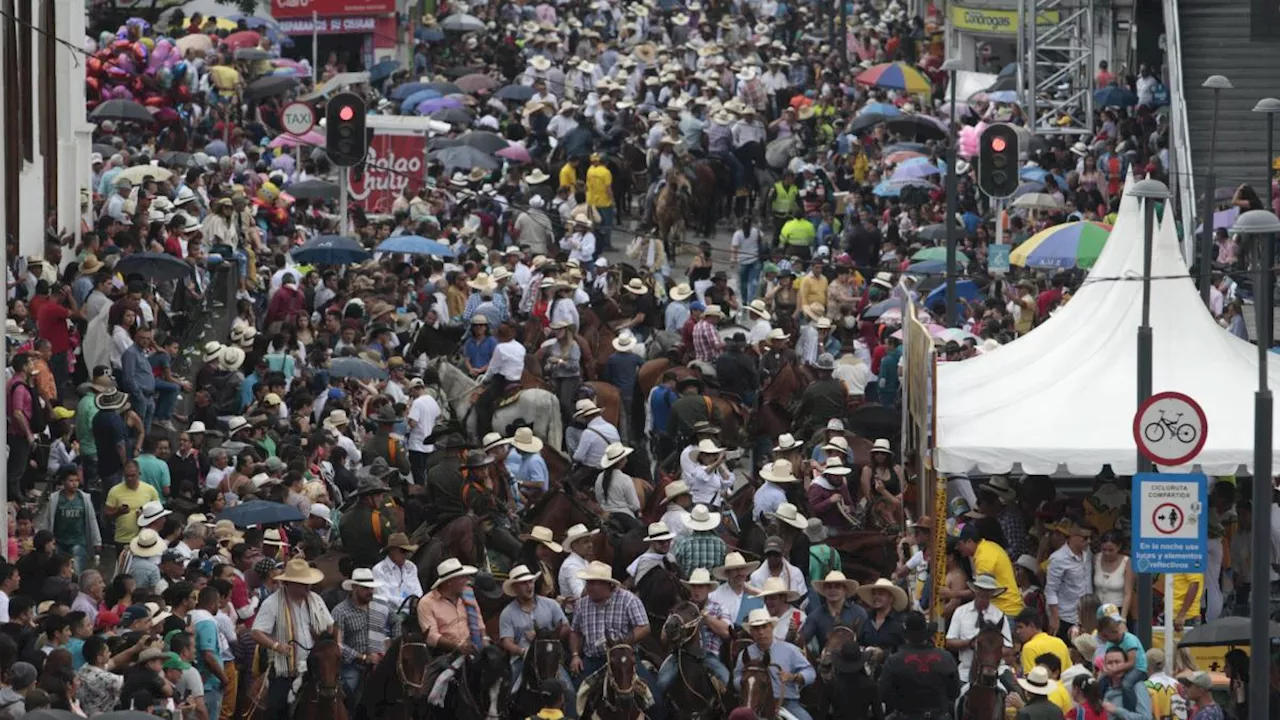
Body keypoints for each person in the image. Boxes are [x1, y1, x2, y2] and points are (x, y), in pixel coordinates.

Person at [568, 561, 659, 711]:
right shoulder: (582, 604)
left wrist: (623, 642)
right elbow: (575, 632)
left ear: (607, 585)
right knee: (574, 698)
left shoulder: (628, 599)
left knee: (654, 699)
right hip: (594, 660)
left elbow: (644, 627)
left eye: (592, 584)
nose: (588, 588)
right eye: (587, 583)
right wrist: (575, 655)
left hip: (624, 660)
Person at [250, 559, 336, 718]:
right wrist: (276, 645)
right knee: (277, 707)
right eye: (303, 584)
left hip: (315, 666)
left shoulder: (315, 599)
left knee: (344, 696)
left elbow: (331, 626)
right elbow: (256, 632)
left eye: (307, 583)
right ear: (289, 583)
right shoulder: (272, 603)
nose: (308, 587)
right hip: (286, 670)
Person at [333, 568, 401, 710]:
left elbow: (396, 621)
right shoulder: (340, 611)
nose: (370, 592)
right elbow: (338, 644)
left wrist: (394, 645)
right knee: (347, 692)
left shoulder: (381, 605)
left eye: (372, 588)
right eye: (365, 588)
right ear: (353, 588)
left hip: (381, 660)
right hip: (353, 665)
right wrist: (363, 657)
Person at [498, 565, 572, 695]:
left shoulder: (551, 604)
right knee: (509, 691)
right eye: (523, 583)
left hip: (550, 656)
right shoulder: (507, 613)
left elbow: (566, 627)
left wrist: (547, 636)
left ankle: (572, 715)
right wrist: (523, 651)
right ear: (515, 588)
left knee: (569, 691)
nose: (529, 586)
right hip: (522, 658)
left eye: (530, 582)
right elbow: (506, 642)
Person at [656, 568, 732, 694]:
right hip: (680, 655)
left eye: (700, 587)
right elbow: (663, 636)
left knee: (727, 681)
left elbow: (727, 632)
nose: (696, 591)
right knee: (662, 682)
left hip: (709, 655)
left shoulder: (719, 607)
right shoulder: (681, 608)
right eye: (693, 587)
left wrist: (706, 618)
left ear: (708, 588)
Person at [732, 608, 816, 720]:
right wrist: (746, 683)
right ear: (751, 632)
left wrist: (794, 677)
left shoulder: (790, 650)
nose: (761, 632)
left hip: (786, 703)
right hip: (753, 705)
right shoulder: (746, 653)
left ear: (772, 627)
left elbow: (810, 672)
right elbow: (737, 676)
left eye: (764, 627)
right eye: (756, 629)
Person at [878, 612, 960, 719]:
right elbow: (955, 692)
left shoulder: (894, 661)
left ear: (906, 636)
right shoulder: (946, 657)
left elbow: (883, 694)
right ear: (926, 634)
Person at [945, 574, 1014, 684]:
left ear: (991, 594)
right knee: (956, 697)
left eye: (987, 592)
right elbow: (949, 642)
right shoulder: (960, 612)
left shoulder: (999, 616)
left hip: (994, 672)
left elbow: (1009, 648)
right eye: (981, 591)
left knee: (1011, 693)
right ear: (975, 591)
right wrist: (970, 643)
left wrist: (989, 650)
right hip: (966, 671)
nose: (983, 594)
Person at [957, 524, 1025, 618]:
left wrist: (952, 593)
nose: (957, 548)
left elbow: (981, 591)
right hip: (1003, 608)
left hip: (1005, 610)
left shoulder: (984, 557)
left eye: (959, 544)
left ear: (969, 542)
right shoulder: (988, 546)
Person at [417, 558, 484, 654]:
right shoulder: (427, 603)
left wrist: (484, 639)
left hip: (472, 647)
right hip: (444, 653)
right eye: (462, 577)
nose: (467, 580)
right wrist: (457, 646)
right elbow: (431, 636)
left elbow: (478, 620)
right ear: (449, 582)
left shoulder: (467, 594)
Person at [1046, 523, 1094, 640]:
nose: (1089, 541)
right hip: (1066, 617)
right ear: (1072, 536)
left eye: (1090, 538)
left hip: (1087, 617)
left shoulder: (1088, 554)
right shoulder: (1058, 558)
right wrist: (1055, 618)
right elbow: (1051, 590)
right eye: (1085, 538)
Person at [801, 571, 868, 648]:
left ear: (845, 590)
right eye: (829, 587)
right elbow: (803, 639)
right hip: (825, 658)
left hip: (854, 658)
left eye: (837, 587)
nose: (832, 590)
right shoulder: (816, 615)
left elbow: (867, 641)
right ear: (824, 590)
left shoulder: (859, 613)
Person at [372, 533, 424, 610]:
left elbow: (418, 592)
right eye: (403, 551)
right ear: (392, 550)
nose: (406, 554)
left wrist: (414, 602)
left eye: (407, 551)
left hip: (413, 612)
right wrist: (409, 603)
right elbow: (384, 599)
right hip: (390, 614)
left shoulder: (411, 567)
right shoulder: (379, 570)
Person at [1016, 608, 1072, 676]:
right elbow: (1069, 672)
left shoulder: (1029, 648)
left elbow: (1031, 680)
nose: (1018, 631)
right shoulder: (1059, 642)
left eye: (1020, 627)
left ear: (1032, 625)